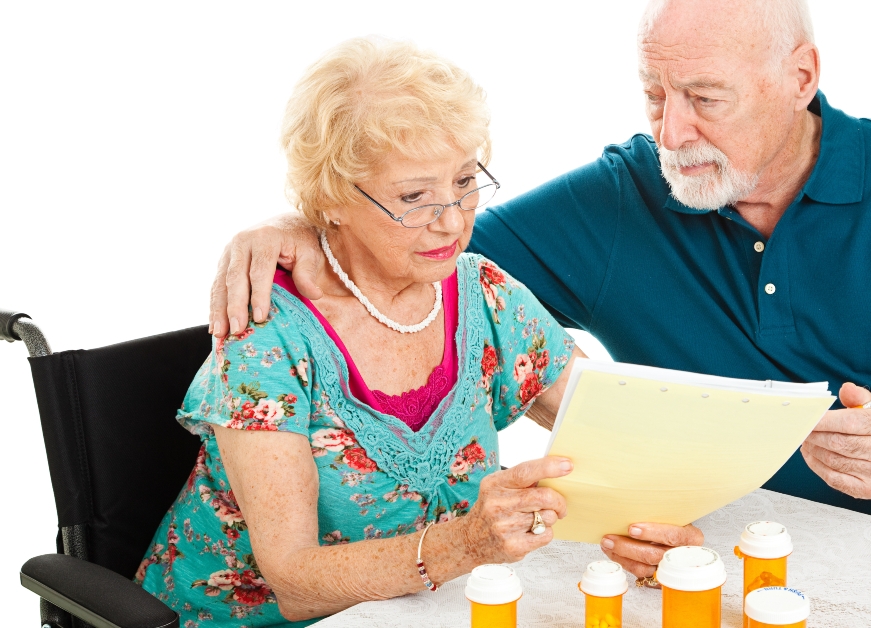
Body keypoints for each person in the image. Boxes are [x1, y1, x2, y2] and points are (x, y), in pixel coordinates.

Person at [209, 0, 871, 574]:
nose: (671, 129)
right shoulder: (627, 193)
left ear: (801, 79)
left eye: (704, 97)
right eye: (654, 92)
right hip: (740, 557)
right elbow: (421, 245)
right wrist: (310, 224)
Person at [137, 38, 590, 626]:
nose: (451, 220)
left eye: (463, 181)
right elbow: (295, 582)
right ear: (332, 198)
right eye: (414, 196)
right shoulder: (269, 339)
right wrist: (468, 544)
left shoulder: (484, 293)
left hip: (424, 612)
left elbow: (611, 419)